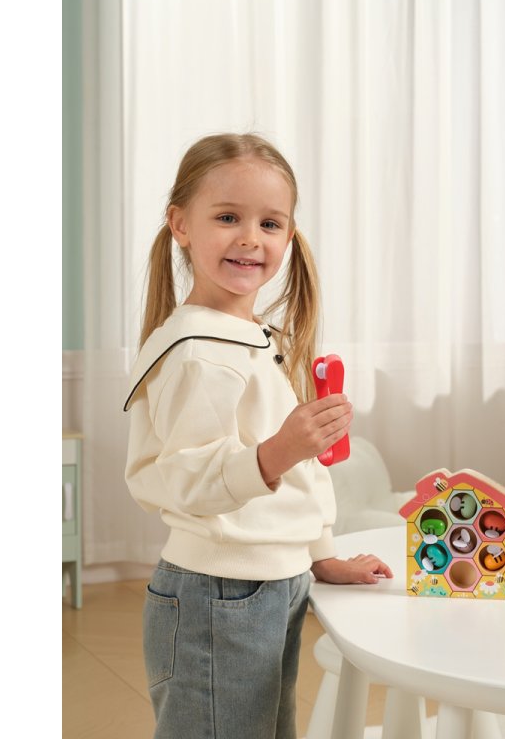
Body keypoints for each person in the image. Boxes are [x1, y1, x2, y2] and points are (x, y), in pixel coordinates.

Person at [123, 132, 393, 739]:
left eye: (270, 223)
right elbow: (185, 479)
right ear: (180, 224)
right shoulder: (200, 352)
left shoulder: (253, 340)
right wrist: (278, 452)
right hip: (219, 594)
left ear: (289, 236)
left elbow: (301, 475)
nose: (250, 238)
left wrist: (320, 554)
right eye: (228, 217)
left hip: (267, 588)